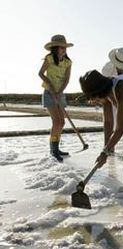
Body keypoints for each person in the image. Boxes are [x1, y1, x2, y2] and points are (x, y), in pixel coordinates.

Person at [38, 34, 73, 162]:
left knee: (62, 122)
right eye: (61, 47)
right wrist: (51, 86)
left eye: (65, 47)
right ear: (55, 48)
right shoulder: (49, 59)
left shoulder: (68, 62)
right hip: (49, 93)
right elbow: (40, 73)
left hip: (60, 94)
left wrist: (60, 91)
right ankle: (53, 150)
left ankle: (56, 147)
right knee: (56, 121)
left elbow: (67, 79)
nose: (64, 49)